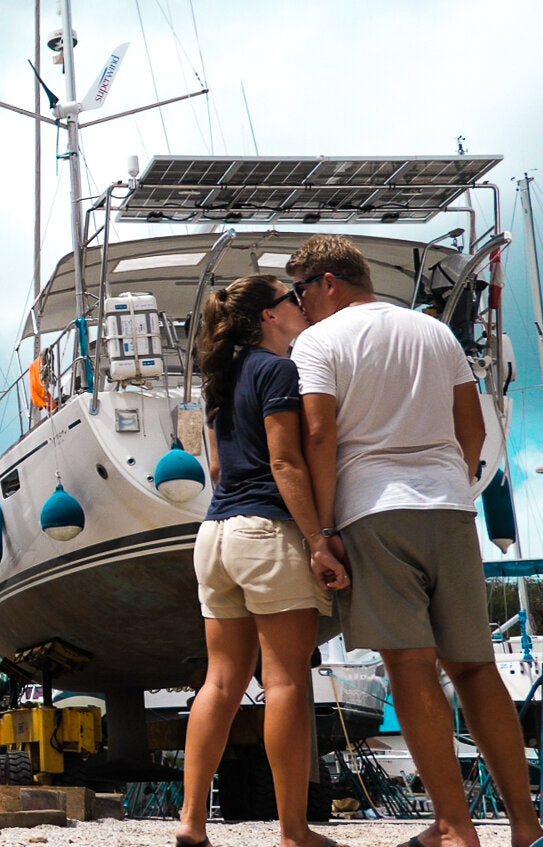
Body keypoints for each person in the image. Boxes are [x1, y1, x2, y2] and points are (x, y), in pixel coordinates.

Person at [287, 235, 543, 847]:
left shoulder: (318, 342)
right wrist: (454, 482)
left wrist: (322, 531)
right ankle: (526, 825)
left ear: (328, 283)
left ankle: (454, 827)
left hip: (373, 509)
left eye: (301, 291)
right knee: (476, 666)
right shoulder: (434, 332)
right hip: (450, 507)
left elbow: (319, 435)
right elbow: (473, 429)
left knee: (409, 664)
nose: (299, 305)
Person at [176, 274, 348, 847]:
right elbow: (285, 462)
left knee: (221, 681)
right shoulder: (278, 371)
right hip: (267, 532)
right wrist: (319, 539)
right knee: (285, 682)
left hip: (215, 536)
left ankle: (192, 821)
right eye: (290, 299)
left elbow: (218, 469)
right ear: (269, 316)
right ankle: (294, 831)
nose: (300, 304)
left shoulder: (221, 380)